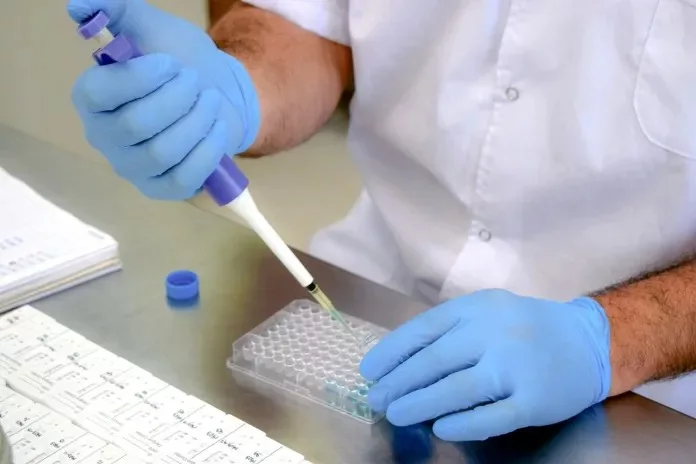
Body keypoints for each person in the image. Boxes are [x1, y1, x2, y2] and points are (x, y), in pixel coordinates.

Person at [67, 0, 696, 442]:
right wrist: (237, 90)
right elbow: (312, 23)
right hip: (374, 293)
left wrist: (606, 339)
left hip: (643, 390)